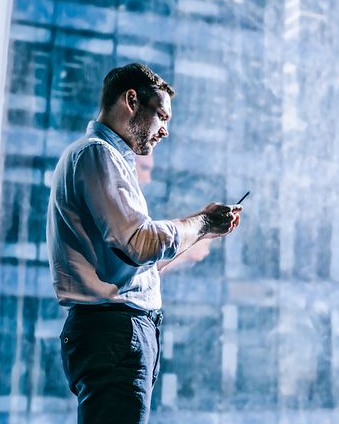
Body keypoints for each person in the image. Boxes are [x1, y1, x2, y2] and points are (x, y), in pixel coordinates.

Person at [46, 62, 242, 423]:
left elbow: (128, 262)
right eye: (162, 116)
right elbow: (140, 244)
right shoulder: (97, 154)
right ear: (131, 100)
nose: (165, 131)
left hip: (116, 333)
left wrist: (204, 230)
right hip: (115, 332)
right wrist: (201, 221)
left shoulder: (105, 158)